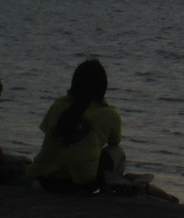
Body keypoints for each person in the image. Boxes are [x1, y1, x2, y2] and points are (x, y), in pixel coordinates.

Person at [27, 59, 123, 193]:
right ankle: (110, 191)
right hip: (81, 184)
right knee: (117, 152)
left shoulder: (58, 105)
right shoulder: (109, 114)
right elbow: (114, 141)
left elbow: (47, 131)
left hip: (44, 178)